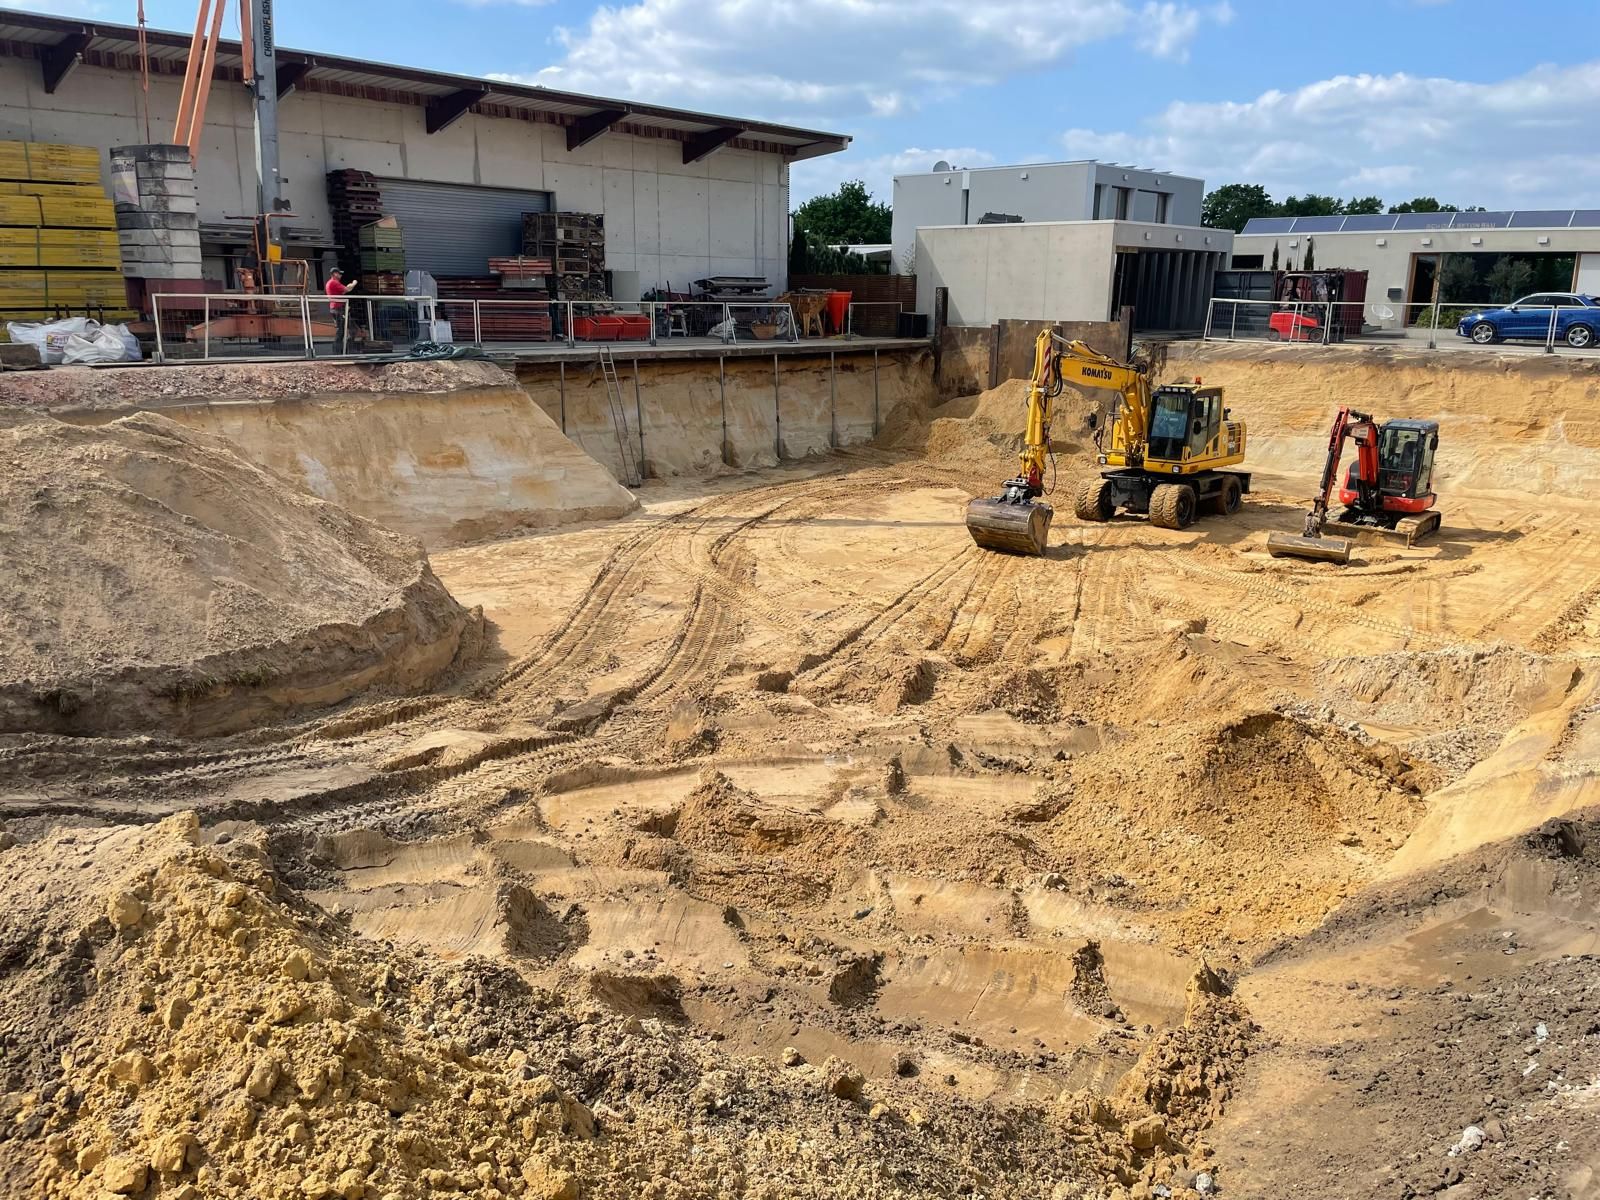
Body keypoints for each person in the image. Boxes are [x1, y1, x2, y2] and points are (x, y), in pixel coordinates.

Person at [325, 268, 358, 352]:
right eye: (339, 273)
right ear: (334, 274)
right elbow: (347, 289)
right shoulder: (334, 282)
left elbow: (343, 291)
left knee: (343, 330)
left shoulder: (331, 283)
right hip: (338, 309)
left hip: (337, 308)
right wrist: (354, 283)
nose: (341, 275)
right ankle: (345, 349)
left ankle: (342, 349)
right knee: (348, 329)